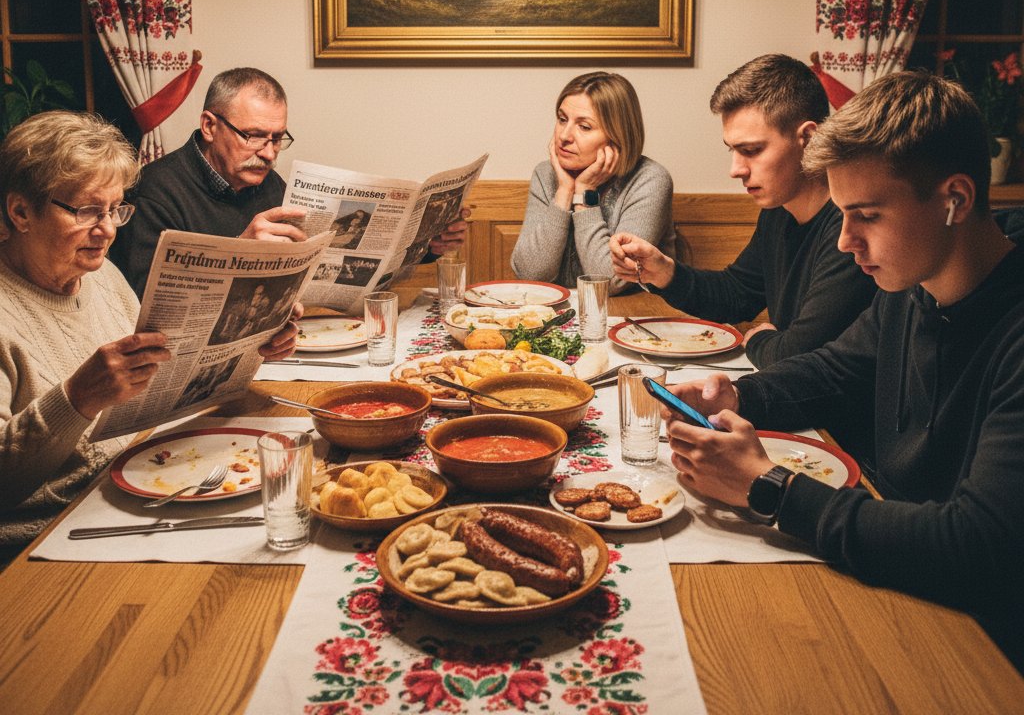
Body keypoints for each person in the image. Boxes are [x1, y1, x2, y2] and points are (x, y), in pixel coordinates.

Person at [662, 71, 1024, 671]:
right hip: (902, 576)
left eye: (868, 216)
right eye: (841, 215)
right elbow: (837, 368)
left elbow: (977, 546)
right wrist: (735, 393)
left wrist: (771, 487)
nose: (845, 241)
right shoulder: (912, 286)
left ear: (954, 199)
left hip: (986, 642)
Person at [0, 111, 299, 558]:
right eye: (86, 211)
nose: (106, 230)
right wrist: (77, 399)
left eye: (114, 209)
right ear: (21, 211)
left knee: (292, 511)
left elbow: (168, 377)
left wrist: (253, 341)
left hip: (142, 488)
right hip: (49, 538)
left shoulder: (100, 277)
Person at [610, 54, 876, 366]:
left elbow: (798, 353)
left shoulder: (851, 229)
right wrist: (666, 272)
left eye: (751, 151)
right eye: (732, 150)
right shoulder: (779, 209)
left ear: (808, 138)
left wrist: (758, 338)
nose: (735, 170)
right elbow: (737, 294)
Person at [110, 68, 468, 297]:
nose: (268, 153)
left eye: (277, 138)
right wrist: (240, 250)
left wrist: (427, 247)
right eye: (253, 136)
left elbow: (327, 266)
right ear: (209, 126)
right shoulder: (154, 190)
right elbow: (139, 302)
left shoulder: (266, 182)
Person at [510, 71, 675, 295]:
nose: (564, 136)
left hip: (632, 318)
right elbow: (530, 274)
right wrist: (565, 191)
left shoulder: (650, 180)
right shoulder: (546, 174)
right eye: (562, 119)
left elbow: (610, 280)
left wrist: (585, 195)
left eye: (584, 127)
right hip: (560, 320)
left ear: (617, 137)